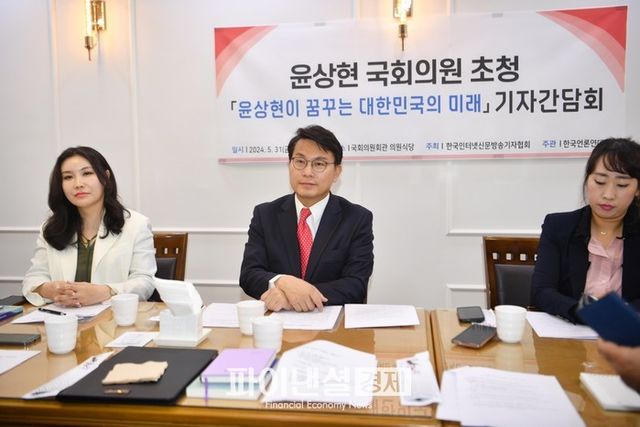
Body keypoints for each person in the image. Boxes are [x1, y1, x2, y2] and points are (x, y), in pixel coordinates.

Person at [239, 125, 374, 312]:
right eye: (300, 161)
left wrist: (294, 297)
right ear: (289, 165)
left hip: (333, 323)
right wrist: (282, 282)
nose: (307, 172)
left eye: (319, 164)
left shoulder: (356, 218)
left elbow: (356, 284)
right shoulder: (265, 214)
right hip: (278, 323)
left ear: (337, 172)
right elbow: (249, 274)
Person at [22, 146, 156, 307]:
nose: (78, 184)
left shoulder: (136, 224)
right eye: (68, 177)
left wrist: (106, 291)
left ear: (105, 177)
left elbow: (144, 281)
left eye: (87, 173)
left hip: (112, 317)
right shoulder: (50, 228)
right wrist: (48, 290)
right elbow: (33, 278)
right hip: (62, 316)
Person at [532, 137, 640, 323]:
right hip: (570, 331)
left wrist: (620, 314)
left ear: (637, 189)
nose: (608, 195)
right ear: (588, 179)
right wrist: (583, 311)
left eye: (622, 185)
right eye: (600, 181)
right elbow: (542, 292)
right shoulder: (558, 226)